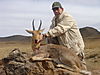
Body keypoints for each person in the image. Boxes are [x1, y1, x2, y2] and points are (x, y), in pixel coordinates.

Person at [43, 2, 86, 69]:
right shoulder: (54, 20)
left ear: (62, 9)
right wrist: (44, 36)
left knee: (80, 65)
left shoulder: (67, 17)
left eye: (57, 9)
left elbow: (60, 28)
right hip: (65, 48)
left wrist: (47, 34)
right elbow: (51, 30)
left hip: (74, 46)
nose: (55, 11)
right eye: (54, 10)